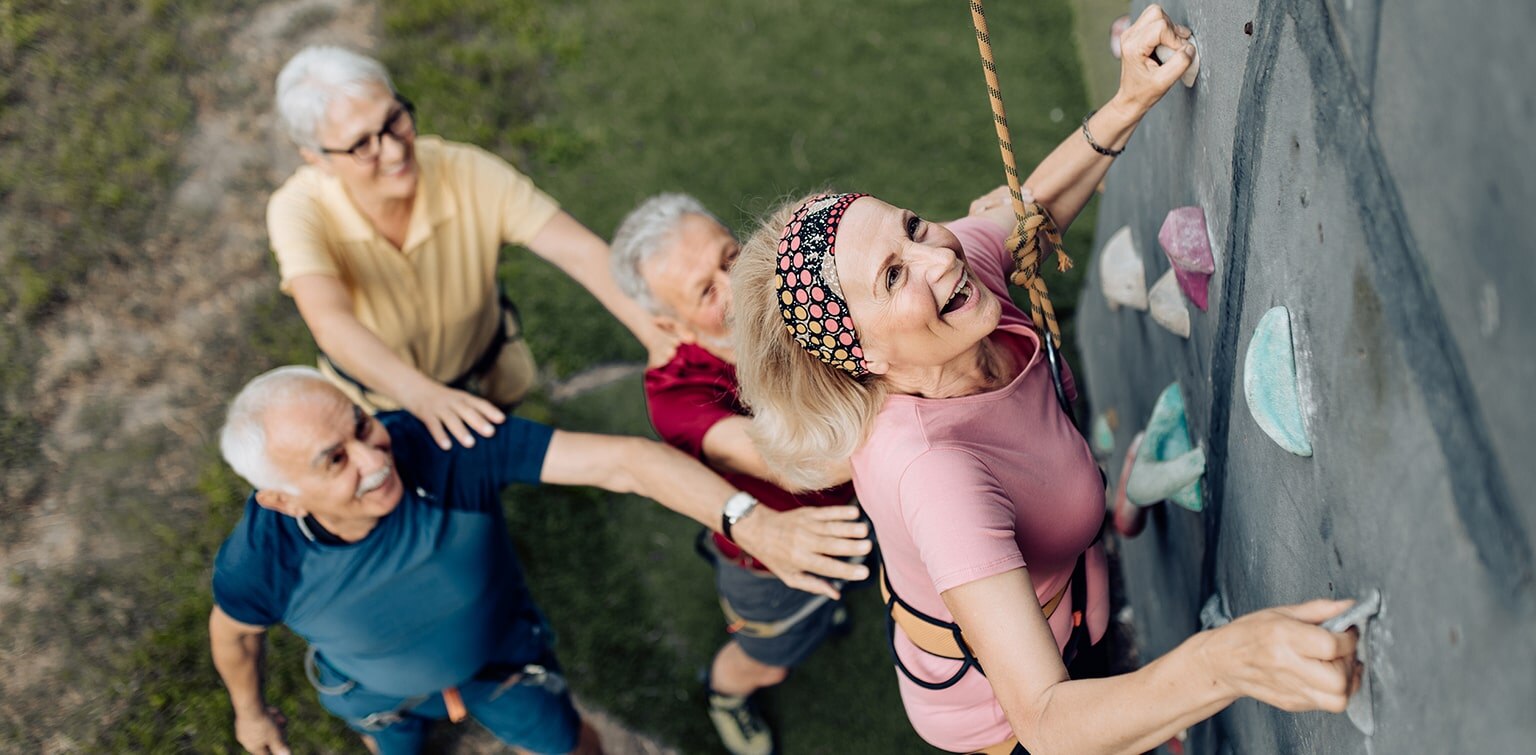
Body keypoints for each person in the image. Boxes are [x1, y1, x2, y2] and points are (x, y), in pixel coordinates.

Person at [727, 7, 1361, 754]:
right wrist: (1228, 660)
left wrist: (1129, 99)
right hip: (998, 713)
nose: (939, 256)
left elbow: (1032, 218)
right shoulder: (938, 476)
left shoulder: (951, 289)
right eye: (894, 275)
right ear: (860, 355)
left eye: (910, 225)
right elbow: (1047, 720)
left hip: (1067, 601)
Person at [208, 366, 870, 755]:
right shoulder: (258, 560)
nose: (375, 458)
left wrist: (748, 522)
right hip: (374, 696)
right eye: (336, 458)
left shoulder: (441, 445)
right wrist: (248, 711)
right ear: (281, 498)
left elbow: (625, 461)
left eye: (360, 424)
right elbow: (235, 633)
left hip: (504, 665)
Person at [267, 45, 675, 453]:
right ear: (317, 159)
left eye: (394, 120)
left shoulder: (465, 171)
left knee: (493, 438)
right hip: (381, 399)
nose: (393, 150)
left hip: (487, 356)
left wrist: (655, 338)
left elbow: (580, 253)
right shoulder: (297, 211)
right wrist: (423, 396)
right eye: (362, 145)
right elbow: (330, 321)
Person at [610, 194, 864, 755]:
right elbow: (804, 466)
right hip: (770, 562)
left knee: (842, 581)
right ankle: (726, 692)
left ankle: (836, 597)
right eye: (706, 291)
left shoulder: (789, 279)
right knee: (767, 661)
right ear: (665, 323)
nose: (737, 286)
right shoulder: (677, 397)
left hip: (849, 511)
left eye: (731, 255)